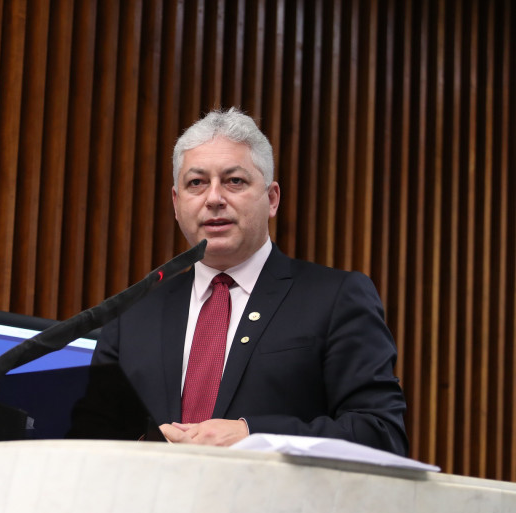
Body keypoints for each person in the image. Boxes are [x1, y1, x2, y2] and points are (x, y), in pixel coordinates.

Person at [92, 108, 409, 455]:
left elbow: (381, 433)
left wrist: (252, 436)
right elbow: (87, 440)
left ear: (272, 199)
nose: (214, 198)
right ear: (176, 202)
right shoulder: (131, 316)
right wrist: (142, 448)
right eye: (196, 183)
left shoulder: (335, 298)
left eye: (234, 181)